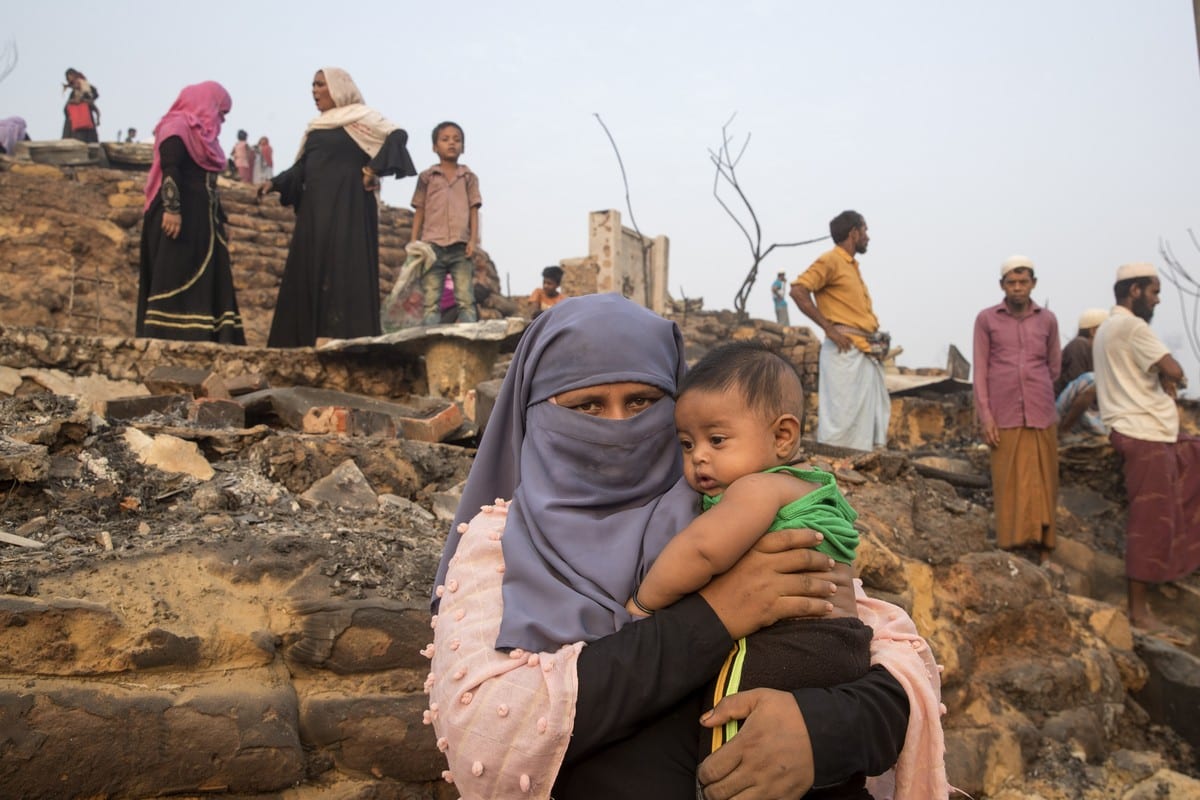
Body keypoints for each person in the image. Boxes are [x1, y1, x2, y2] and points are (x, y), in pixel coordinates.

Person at [426, 293, 948, 800]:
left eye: (642, 402)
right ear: (537, 413)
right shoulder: (502, 542)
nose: (620, 427)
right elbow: (489, 734)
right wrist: (717, 614)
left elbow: (888, 662)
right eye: (587, 405)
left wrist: (818, 732)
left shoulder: (726, 506)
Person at [625, 342, 872, 774]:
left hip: (790, 644)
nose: (699, 455)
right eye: (686, 444)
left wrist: (644, 603)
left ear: (782, 437)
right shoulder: (810, 487)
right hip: (844, 646)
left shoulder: (757, 489)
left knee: (731, 741)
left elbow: (702, 550)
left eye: (717, 440)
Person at [259, 67, 416, 347]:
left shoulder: (363, 118)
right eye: (313, 85)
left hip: (350, 208)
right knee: (311, 268)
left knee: (347, 266)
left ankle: (347, 338)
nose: (314, 90)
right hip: (315, 213)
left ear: (338, 88)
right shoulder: (316, 128)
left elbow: (396, 137)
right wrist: (275, 183)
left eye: (321, 85)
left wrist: (372, 169)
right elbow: (302, 168)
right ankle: (304, 339)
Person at [1093, 262, 1200, 643]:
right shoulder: (1132, 327)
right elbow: (1175, 369)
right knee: (1149, 520)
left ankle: (1172, 569)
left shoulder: (1107, 327)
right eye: (1153, 292)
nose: (1156, 300)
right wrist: (1173, 377)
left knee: (1185, 477)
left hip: (1143, 431)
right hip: (1145, 433)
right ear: (1134, 290)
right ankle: (1139, 613)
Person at [136, 82, 245, 344]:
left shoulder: (206, 140)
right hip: (177, 218)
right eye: (221, 112)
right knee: (175, 274)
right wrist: (173, 210)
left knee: (206, 280)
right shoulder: (177, 127)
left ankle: (209, 336)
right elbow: (171, 167)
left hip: (203, 222)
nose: (220, 119)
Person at [972, 256, 1060, 561]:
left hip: (1041, 411)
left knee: (1043, 480)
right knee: (1008, 480)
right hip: (1004, 412)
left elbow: (1054, 367)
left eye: (1023, 282)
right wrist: (986, 416)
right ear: (1002, 286)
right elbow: (980, 370)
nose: (1018, 288)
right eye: (1012, 282)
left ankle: (1043, 547)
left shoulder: (1047, 320)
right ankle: (1012, 548)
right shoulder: (987, 319)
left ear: (1033, 283)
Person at [790, 210, 889, 451]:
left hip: (861, 350)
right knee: (841, 423)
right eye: (865, 231)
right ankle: (835, 471)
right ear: (853, 233)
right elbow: (798, 290)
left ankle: (855, 468)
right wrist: (829, 329)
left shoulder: (851, 265)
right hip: (844, 352)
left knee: (860, 426)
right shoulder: (832, 260)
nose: (868, 237)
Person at [411, 121, 481, 325]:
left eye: (457, 140)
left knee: (466, 298)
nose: (451, 143)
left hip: (460, 246)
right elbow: (420, 209)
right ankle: (431, 343)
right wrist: (414, 242)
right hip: (432, 247)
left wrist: (472, 241)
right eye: (445, 139)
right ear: (435, 147)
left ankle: (470, 340)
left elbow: (473, 210)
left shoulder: (469, 177)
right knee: (431, 300)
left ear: (463, 147)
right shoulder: (427, 177)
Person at [1055, 308, 1109, 437]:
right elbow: (1078, 387)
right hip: (1062, 409)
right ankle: (1064, 430)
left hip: (1087, 408)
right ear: (1094, 331)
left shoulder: (1099, 353)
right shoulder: (1079, 345)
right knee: (1092, 380)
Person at [62, 68, 100, 143]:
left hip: (86, 125)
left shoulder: (87, 88)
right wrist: (72, 102)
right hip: (74, 126)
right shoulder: (73, 94)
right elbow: (66, 110)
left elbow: (94, 99)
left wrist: (82, 101)